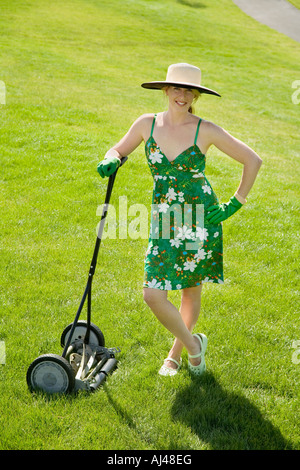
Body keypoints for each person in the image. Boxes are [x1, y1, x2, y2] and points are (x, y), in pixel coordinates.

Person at [97, 63, 262, 377]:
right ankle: (194, 344)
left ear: (196, 95)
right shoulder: (147, 124)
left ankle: (175, 354)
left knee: (190, 289)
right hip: (164, 216)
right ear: (165, 90)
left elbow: (253, 160)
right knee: (153, 294)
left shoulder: (206, 129)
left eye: (189, 90)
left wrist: (234, 203)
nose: (182, 95)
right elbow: (119, 149)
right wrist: (111, 158)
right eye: (177, 88)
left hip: (198, 216)